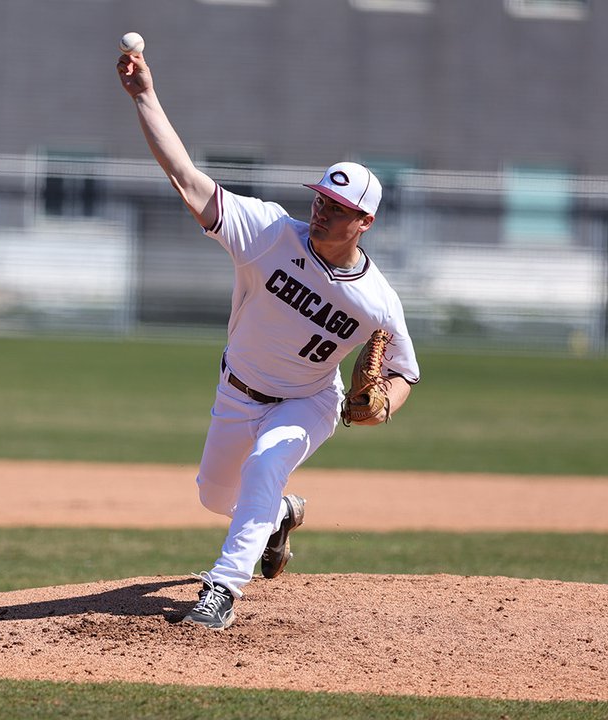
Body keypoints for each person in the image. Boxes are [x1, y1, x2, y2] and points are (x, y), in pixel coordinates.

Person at [117, 48, 420, 630]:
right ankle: (279, 515)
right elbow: (185, 177)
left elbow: (405, 370)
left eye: (339, 207)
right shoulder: (268, 233)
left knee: (266, 463)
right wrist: (144, 96)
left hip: (307, 400)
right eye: (321, 198)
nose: (323, 209)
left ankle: (222, 590)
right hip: (237, 390)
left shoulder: (377, 300)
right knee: (214, 496)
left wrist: (384, 405)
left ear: (366, 222)